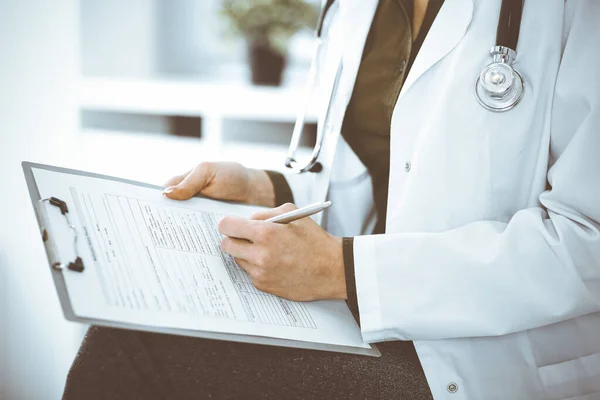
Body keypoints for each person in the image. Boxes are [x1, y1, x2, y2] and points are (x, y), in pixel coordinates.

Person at [63, 0, 600, 399]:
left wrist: (343, 270)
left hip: (492, 363)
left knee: (140, 350)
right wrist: (268, 188)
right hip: (368, 323)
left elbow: (587, 243)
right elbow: (388, 180)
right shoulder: (361, 8)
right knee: (137, 327)